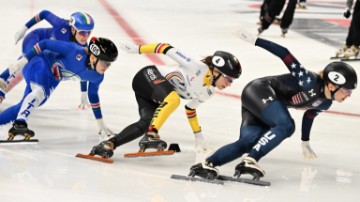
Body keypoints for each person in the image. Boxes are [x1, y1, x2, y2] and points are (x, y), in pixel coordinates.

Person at [189, 31, 357, 180]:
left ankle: (208, 164)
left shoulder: (325, 103)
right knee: (286, 125)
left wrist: (305, 141)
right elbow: (285, 54)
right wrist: (256, 40)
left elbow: (310, 115)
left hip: (260, 103)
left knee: (249, 141)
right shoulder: (308, 80)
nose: (349, 95)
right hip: (260, 90)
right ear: (332, 85)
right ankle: (251, 160)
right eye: (347, 90)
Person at [89, 42, 242, 159]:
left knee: (145, 123)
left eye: (233, 81)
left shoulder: (208, 92)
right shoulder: (198, 68)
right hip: (147, 75)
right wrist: (137, 49)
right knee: (173, 99)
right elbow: (165, 48)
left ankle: (109, 144)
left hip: (151, 93)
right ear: (216, 71)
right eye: (228, 78)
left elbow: (190, 109)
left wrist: (199, 138)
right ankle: (152, 134)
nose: (229, 83)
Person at [0, 37, 118, 140]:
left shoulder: (97, 76)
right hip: (38, 61)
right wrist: (24, 60)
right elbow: (45, 43)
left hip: (52, 79)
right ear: (93, 57)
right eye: (104, 62)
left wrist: (100, 124)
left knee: (24, 106)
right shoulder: (73, 50)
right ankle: (20, 124)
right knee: (40, 92)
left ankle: (13, 121)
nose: (107, 67)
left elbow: (93, 96)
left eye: (109, 64)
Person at [0, 10, 94, 109]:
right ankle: (3, 81)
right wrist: (24, 28)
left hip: (47, 53)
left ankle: (20, 101)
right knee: (32, 62)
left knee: (38, 70)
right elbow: (44, 13)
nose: (86, 37)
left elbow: (82, 70)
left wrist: (84, 93)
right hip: (35, 39)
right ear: (73, 29)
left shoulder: (83, 48)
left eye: (89, 32)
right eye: (82, 32)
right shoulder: (61, 25)